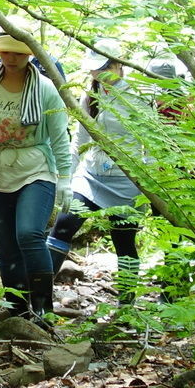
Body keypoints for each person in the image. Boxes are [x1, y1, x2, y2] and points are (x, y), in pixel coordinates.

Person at [0, 33, 74, 322]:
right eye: (6, 52)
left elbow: (60, 137)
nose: (12, 58)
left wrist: (66, 178)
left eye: (19, 53)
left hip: (36, 169)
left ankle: (44, 308)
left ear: (30, 54)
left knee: (29, 234)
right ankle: (16, 309)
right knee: (7, 246)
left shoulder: (46, 88)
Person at [48, 51, 168, 308]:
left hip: (128, 180)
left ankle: (126, 305)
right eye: (93, 69)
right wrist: (66, 178)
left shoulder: (139, 95)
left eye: (103, 67)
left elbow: (153, 142)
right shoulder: (89, 95)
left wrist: (147, 179)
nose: (97, 74)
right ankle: (40, 295)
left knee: (124, 240)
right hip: (90, 176)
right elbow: (80, 139)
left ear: (118, 65)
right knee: (64, 225)